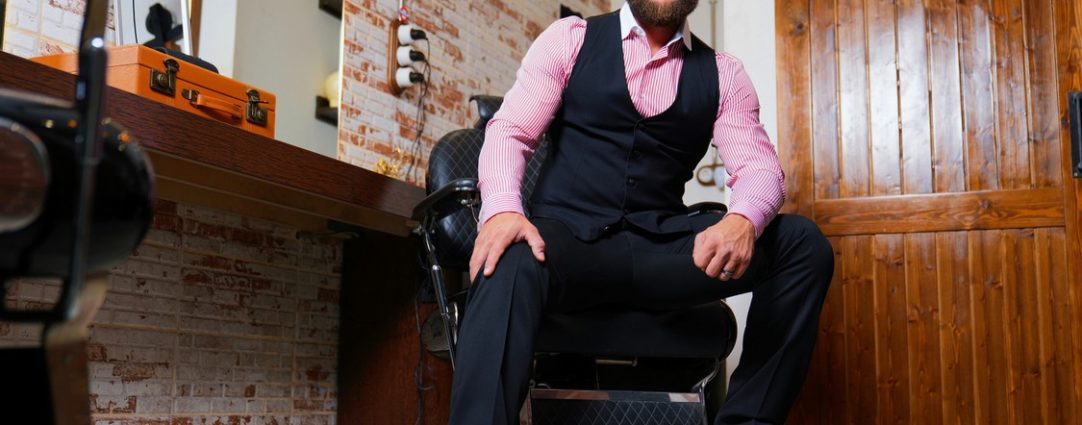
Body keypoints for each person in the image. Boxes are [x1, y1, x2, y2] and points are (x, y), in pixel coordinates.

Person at [449, 0, 834, 423]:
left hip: (659, 248)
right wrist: (503, 210)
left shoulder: (724, 74)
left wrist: (742, 219)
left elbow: (760, 169)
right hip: (567, 242)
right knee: (509, 254)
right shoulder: (570, 40)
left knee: (801, 244)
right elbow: (511, 131)